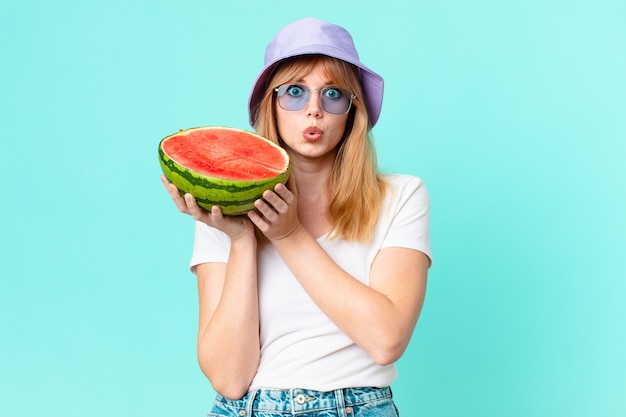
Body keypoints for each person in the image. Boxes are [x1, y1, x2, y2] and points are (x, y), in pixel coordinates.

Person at [162, 16, 431, 417]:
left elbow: (386, 339)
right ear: (270, 102)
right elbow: (229, 379)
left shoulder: (401, 196)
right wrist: (241, 239)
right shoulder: (222, 212)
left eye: (333, 94)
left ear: (352, 110)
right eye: (294, 92)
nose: (313, 111)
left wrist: (289, 235)